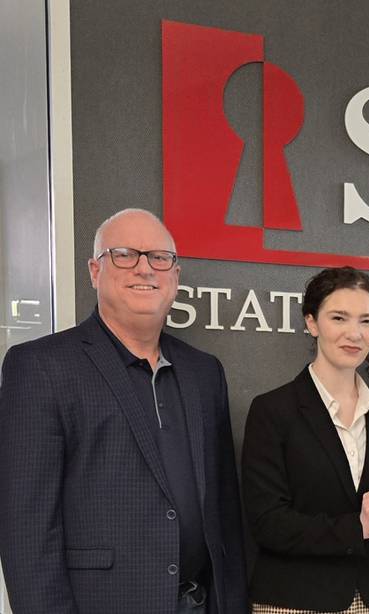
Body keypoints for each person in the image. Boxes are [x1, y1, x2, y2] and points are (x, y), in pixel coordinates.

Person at [0, 208, 248, 614]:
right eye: (125, 255)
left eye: (159, 258)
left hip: (198, 603)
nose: (145, 269)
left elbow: (223, 510)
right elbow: (26, 530)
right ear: (95, 271)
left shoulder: (204, 372)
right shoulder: (41, 367)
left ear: (176, 275)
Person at [242, 267, 369, 614]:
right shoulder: (273, 410)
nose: (354, 333)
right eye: (339, 318)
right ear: (312, 322)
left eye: (366, 321)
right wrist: (355, 527)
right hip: (294, 601)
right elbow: (266, 522)